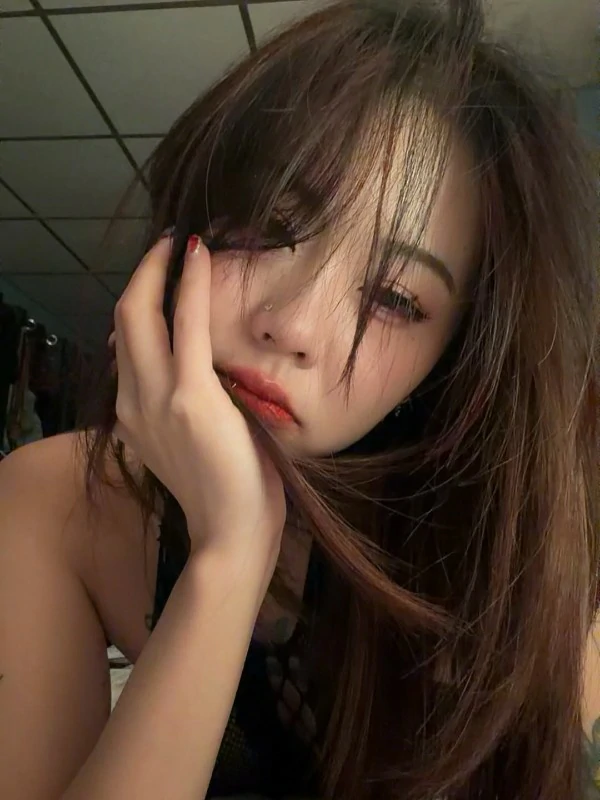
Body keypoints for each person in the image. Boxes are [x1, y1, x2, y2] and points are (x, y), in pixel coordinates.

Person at [0, 1, 598, 798]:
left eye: (394, 298)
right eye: (267, 228)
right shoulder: (49, 497)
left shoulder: (508, 551)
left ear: (450, 360)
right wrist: (230, 553)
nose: (293, 326)